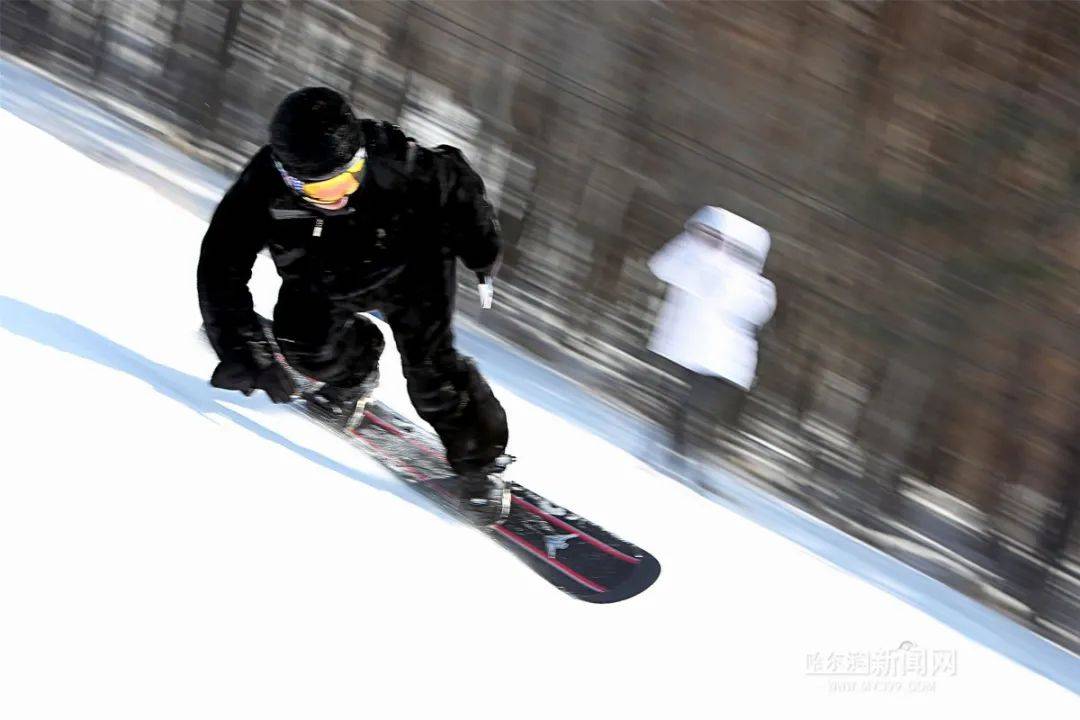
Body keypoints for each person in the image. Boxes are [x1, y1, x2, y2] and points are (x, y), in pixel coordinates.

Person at [197, 87, 509, 524]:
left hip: (413, 267)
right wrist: (243, 350)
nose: (342, 193)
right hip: (323, 277)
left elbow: (457, 181)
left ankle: (480, 463)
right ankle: (356, 368)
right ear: (290, 178)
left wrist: (482, 248)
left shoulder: (397, 158)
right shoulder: (261, 190)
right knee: (303, 344)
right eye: (325, 187)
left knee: (432, 372)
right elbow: (220, 268)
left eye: (349, 176)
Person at [648, 206, 776, 465]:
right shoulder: (690, 256)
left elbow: (751, 310)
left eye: (713, 235)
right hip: (686, 352)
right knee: (674, 404)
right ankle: (676, 456)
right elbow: (661, 267)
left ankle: (689, 458)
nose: (704, 239)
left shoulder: (753, 284)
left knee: (693, 411)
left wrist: (715, 266)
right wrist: (693, 247)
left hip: (722, 365)